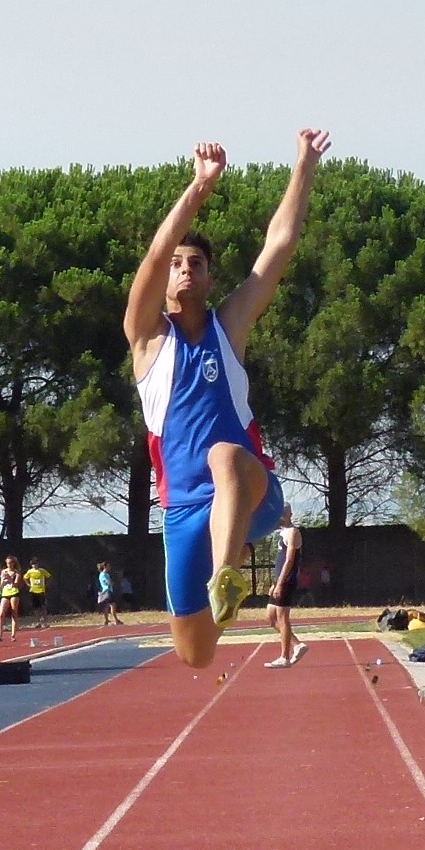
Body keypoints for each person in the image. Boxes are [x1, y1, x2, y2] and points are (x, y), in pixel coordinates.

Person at [124, 129, 330, 669]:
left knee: (224, 453)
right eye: (177, 263)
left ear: (211, 278)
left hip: (253, 491)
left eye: (196, 263)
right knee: (195, 656)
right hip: (183, 511)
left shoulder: (229, 326)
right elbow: (154, 255)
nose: (184, 269)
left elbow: (278, 246)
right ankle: (222, 582)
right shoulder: (146, 339)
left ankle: (226, 573)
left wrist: (304, 165)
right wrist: (199, 187)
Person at [264, 504, 308, 669]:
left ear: (290, 514)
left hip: (287, 580)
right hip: (280, 580)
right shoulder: (281, 533)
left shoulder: (293, 532)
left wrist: (281, 583)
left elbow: (289, 560)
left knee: (282, 618)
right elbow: (280, 560)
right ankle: (298, 645)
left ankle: (284, 657)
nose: (281, 515)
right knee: (271, 618)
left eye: (284, 512)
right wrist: (274, 583)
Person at [0, 556, 22, 642]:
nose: (9, 565)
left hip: (14, 593)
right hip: (5, 593)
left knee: (13, 613)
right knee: (1, 613)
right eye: (7, 563)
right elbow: (1, 586)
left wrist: (10, 579)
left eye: (10, 563)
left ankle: (13, 635)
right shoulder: (4, 571)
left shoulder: (17, 572)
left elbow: (16, 585)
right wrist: (3, 580)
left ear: (13, 563)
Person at [23, 557, 51, 628]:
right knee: (36, 608)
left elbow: (49, 576)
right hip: (33, 591)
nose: (34, 566)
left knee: (43, 607)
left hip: (41, 591)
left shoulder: (42, 571)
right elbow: (25, 577)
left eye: (35, 564)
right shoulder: (30, 572)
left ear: (38, 564)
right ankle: (38, 622)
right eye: (33, 564)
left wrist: (46, 585)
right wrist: (28, 584)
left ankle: (45, 622)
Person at [97, 562, 123, 626]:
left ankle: (106, 620)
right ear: (105, 567)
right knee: (113, 605)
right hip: (107, 591)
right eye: (108, 566)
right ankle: (116, 620)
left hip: (109, 590)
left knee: (107, 606)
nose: (109, 567)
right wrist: (110, 583)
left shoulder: (107, 574)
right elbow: (107, 582)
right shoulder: (102, 574)